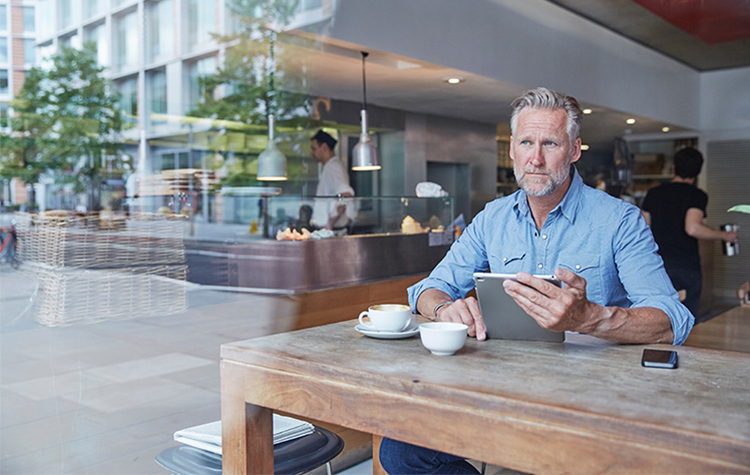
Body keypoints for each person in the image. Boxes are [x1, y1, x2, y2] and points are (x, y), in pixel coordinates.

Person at [378, 87, 694, 475]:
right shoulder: (492, 219)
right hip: (501, 390)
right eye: (527, 142)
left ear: (575, 149)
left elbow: (671, 320)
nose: (536, 158)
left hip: (591, 399)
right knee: (401, 450)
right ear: (512, 148)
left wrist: (590, 318)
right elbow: (426, 289)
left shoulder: (619, 221)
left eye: (550, 143)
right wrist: (445, 307)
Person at [641, 147, 737, 318]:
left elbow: (644, 227)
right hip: (686, 265)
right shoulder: (697, 195)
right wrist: (725, 235)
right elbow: (692, 228)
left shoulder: (654, 193)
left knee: (658, 313)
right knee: (686, 316)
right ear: (698, 171)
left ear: (673, 167)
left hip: (656, 263)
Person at [309, 130, 356, 234]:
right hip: (328, 231)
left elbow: (345, 195)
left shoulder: (333, 167)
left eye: (314, 149)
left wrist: (330, 222)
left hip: (334, 231)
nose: (311, 153)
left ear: (324, 147)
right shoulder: (329, 167)